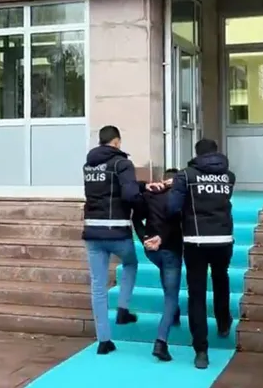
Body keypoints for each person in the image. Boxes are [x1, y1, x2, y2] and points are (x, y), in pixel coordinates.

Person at [82, 125, 164, 355]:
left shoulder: (89, 166)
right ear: (117, 142)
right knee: (130, 263)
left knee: (98, 286)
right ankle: (123, 309)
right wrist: (144, 202)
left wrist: (141, 185)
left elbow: (110, 187)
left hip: (92, 231)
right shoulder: (122, 163)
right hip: (116, 230)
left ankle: (103, 341)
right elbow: (128, 194)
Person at [167, 138, 236, 370]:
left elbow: (173, 207)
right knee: (221, 278)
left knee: (196, 294)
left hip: (195, 240)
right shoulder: (229, 176)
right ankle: (224, 322)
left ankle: (201, 351)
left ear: (196, 154)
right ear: (216, 153)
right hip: (223, 238)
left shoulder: (186, 176)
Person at [132, 168, 183, 362]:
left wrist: (144, 238)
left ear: (163, 179)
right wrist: (161, 238)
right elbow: (175, 222)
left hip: (152, 251)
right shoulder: (179, 197)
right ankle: (161, 341)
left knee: (166, 274)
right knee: (171, 294)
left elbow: (136, 218)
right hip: (171, 249)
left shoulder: (150, 195)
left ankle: (175, 313)